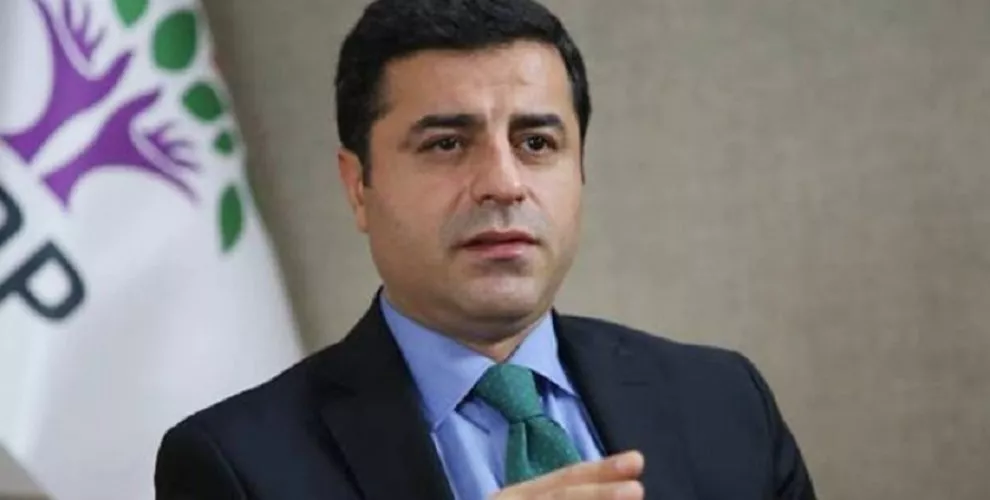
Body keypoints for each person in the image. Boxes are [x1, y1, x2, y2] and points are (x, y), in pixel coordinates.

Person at [154, 0, 817, 498]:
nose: (503, 182)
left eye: (536, 143)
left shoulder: (724, 402)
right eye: (446, 144)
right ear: (358, 186)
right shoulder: (235, 466)